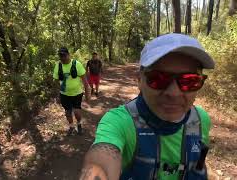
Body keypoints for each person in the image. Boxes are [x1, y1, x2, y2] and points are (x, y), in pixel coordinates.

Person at [79, 33, 215, 180]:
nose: (174, 93)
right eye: (158, 79)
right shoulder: (120, 122)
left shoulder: (201, 120)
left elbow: (199, 164)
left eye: (189, 81)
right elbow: (101, 160)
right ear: (139, 81)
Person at [53, 47, 90, 135]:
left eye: (64, 56)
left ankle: (79, 124)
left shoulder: (76, 64)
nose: (63, 58)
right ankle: (71, 126)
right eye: (61, 56)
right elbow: (55, 81)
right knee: (67, 112)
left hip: (77, 93)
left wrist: (88, 93)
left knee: (77, 112)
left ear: (68, 55)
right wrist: (57, 95)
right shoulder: (58, 65)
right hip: (64, 94)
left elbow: (84, 80)